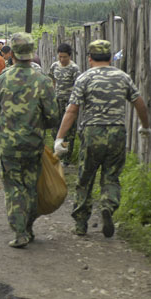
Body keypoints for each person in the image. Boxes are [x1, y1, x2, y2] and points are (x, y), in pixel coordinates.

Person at [54, 40, 150, 238]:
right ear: (109, 56)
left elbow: (72, 110)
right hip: (116, 133)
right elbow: (139, 102)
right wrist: (145, 126)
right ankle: (107, 206)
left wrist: (60, 137)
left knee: (85, 178)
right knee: (111, 177)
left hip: (91, 134)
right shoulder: (122, 77)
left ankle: (81, 224)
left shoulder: (84, 78)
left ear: (89, 58)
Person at [0, 32, 59, 248]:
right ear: (32, 53)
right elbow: (52, 116)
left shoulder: (2, 79)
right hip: (33, 144)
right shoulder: (43, 81)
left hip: (8, 144)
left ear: (11, 52)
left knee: (14, 187)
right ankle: (29, 227)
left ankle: (20, 231)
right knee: (31, 186)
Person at [49, 43, 81, 166]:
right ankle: (57, 153)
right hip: (57, 101)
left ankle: (66, 158)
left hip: (69, 103)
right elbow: (51, 80)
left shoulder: (74, 69)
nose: (62, 59)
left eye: (65, 57)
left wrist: (72, 102)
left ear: (70, 56)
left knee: (69, 131)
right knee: (55, 128)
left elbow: (78, 87)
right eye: (60, 56)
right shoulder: (54, 66)